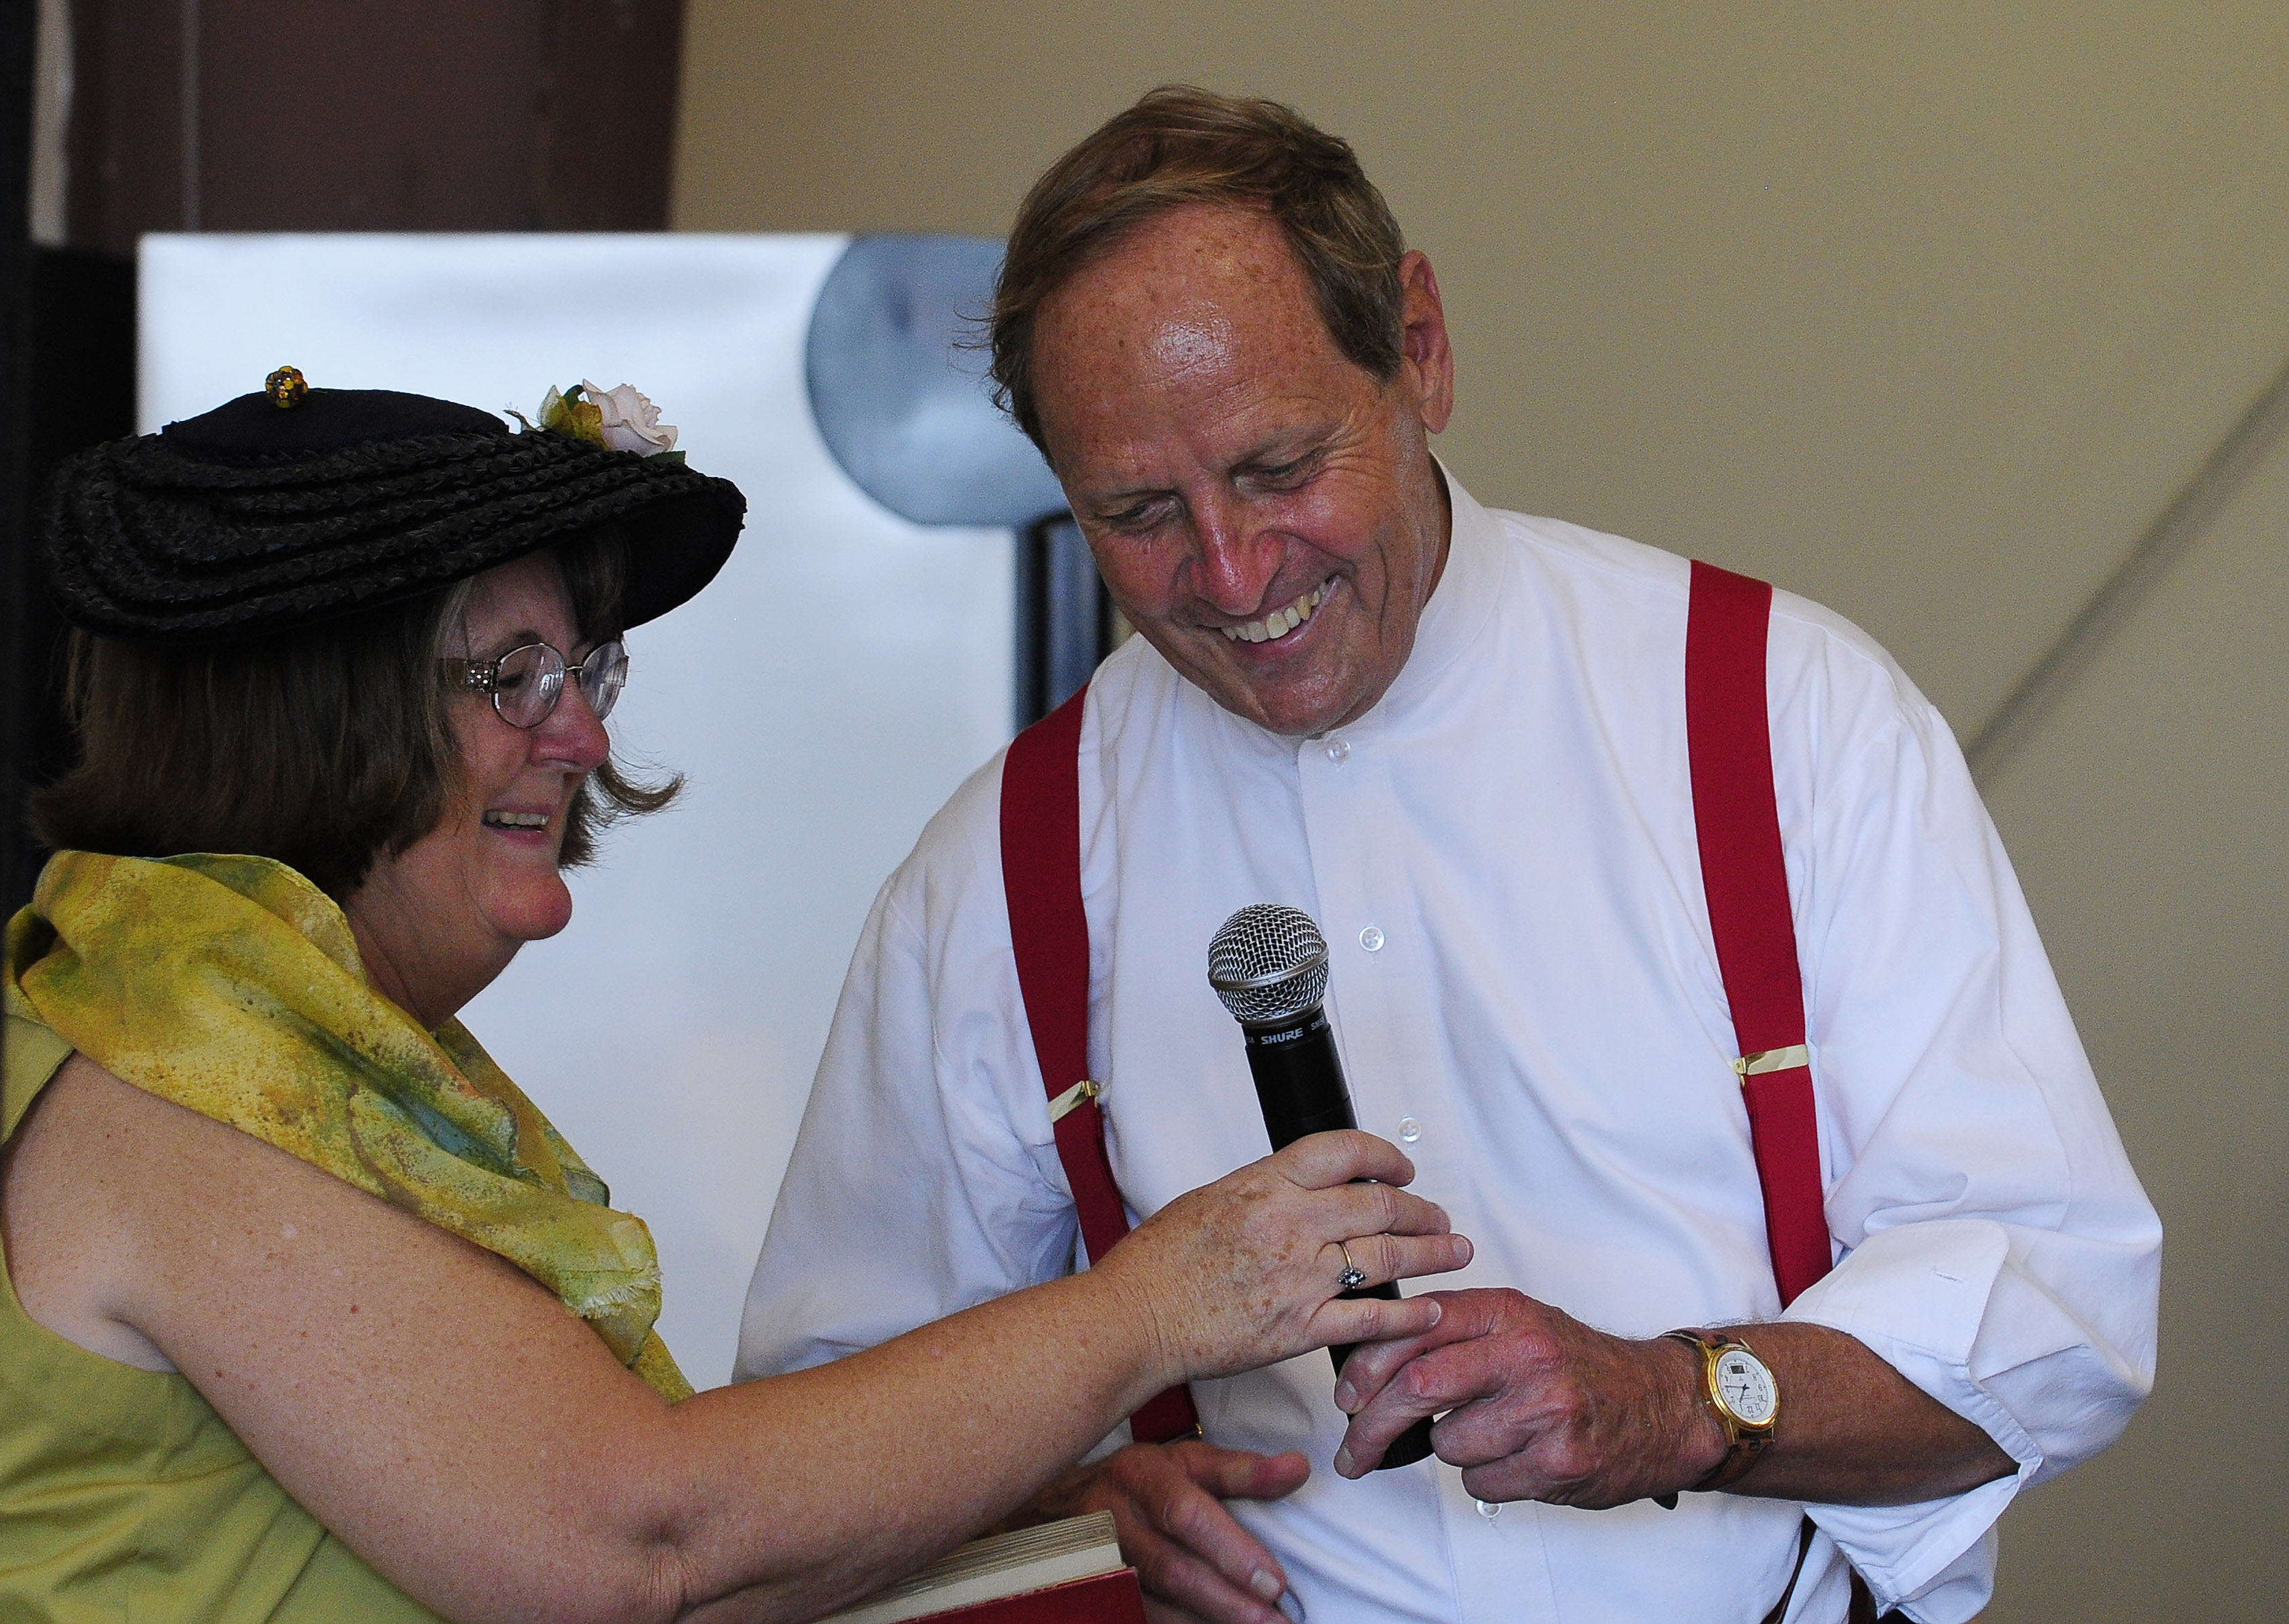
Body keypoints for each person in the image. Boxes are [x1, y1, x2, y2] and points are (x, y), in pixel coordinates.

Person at [736, 87, 2161, 1624]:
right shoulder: (992, 877)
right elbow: (816, 1443)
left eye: (1280, 466)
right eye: (1138, 511)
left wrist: (1688, 1398)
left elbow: (2058, 1305)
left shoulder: (1780, 715)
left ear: (1419, 345)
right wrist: (1062, 1498)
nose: (1229, 573)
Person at [0, 373, 1470, 1624]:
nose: (579, 736)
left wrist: (1012, 1518)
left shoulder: (258, 1031)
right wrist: (1158, 1303)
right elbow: (634, 1541)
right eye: (513, 673)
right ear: (317, 710)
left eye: (586, 671)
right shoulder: (166, 1085)